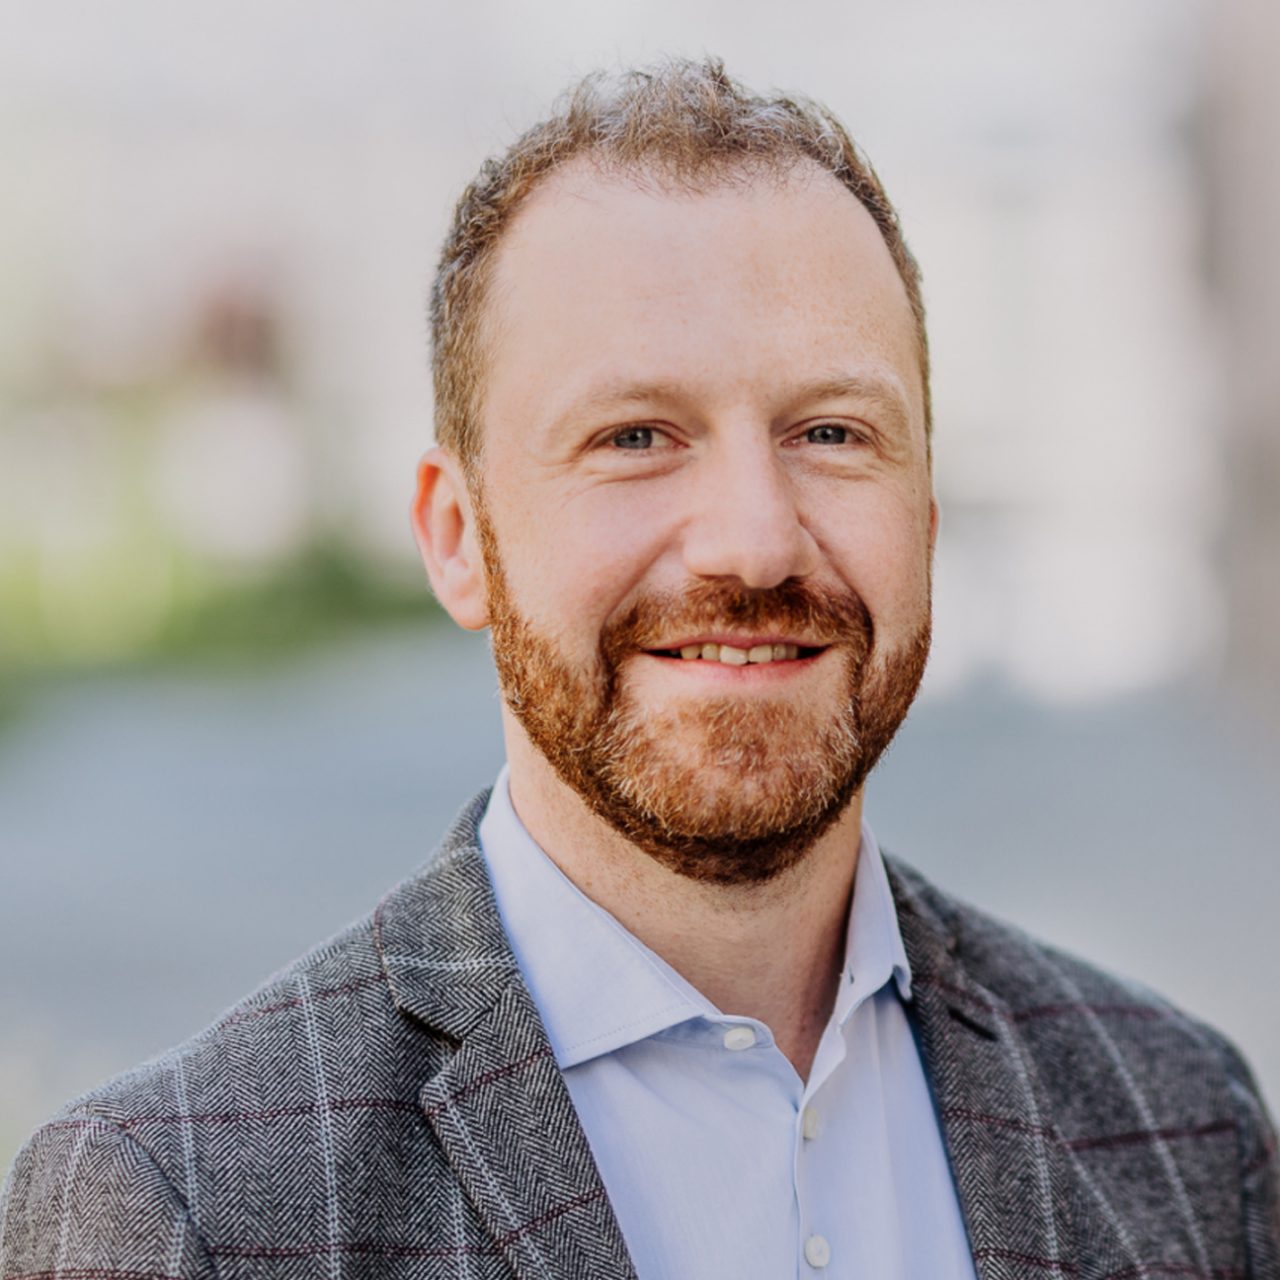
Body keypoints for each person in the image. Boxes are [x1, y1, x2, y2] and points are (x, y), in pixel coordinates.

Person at [2, 57, 1277, 1280]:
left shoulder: (1184, 1125)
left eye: (830, 431)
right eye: (635, 436)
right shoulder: (180, 1206)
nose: (754, 540)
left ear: (925, 515)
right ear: (459, 538)